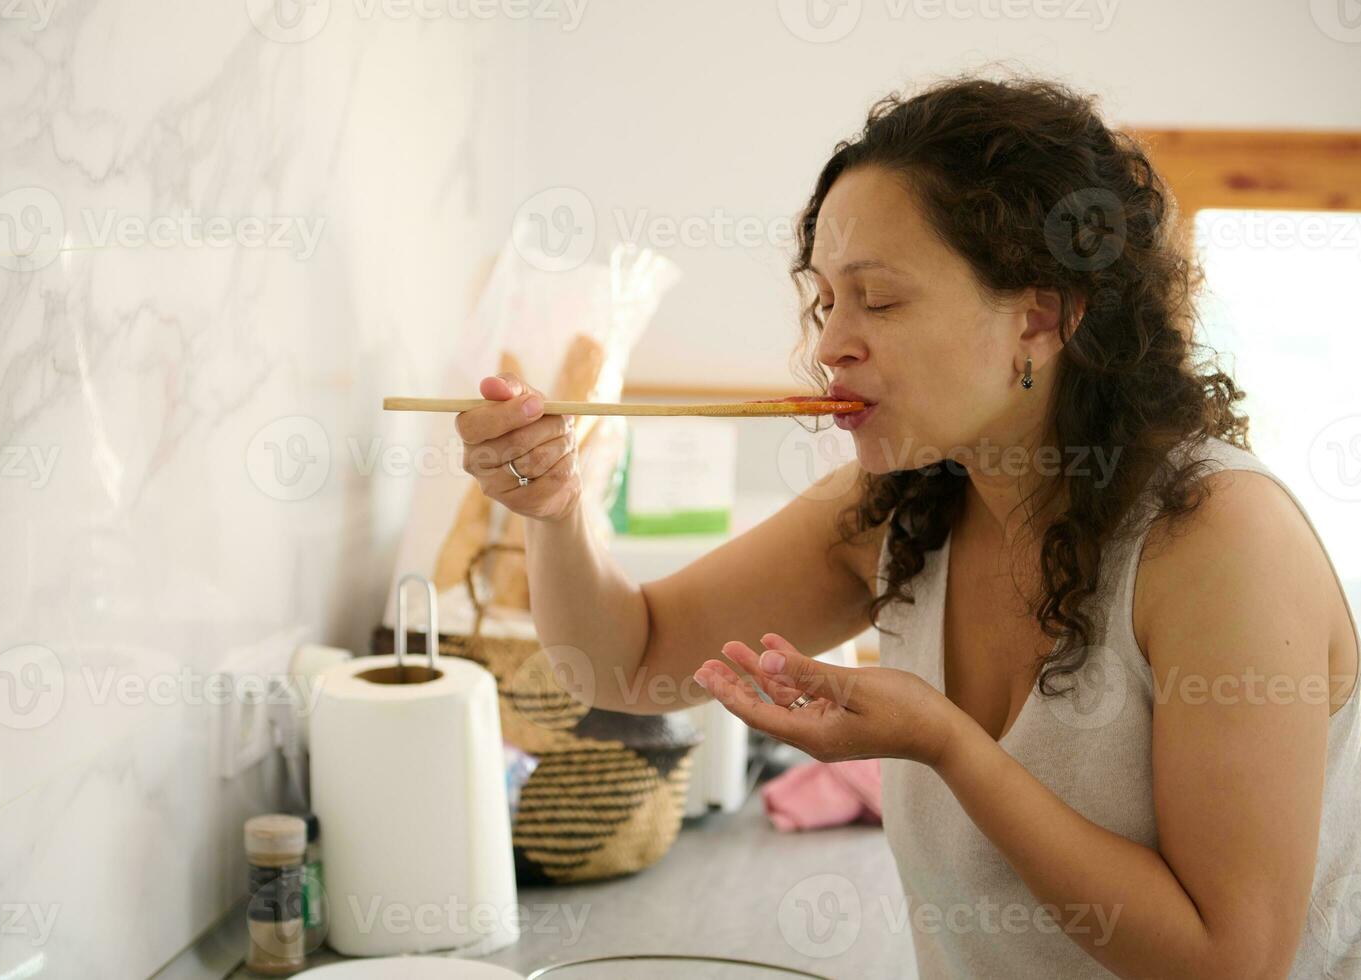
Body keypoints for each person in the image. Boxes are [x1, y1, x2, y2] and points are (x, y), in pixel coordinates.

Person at [452, 75, 1360, 979]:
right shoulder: (904, 503)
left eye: (877, 300)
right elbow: (628, 663)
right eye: (824, 303)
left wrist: (946, 744)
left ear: (1038, 316)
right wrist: (556, 510)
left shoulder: (1217, 537)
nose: (827, 346)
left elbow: (1230, 963)